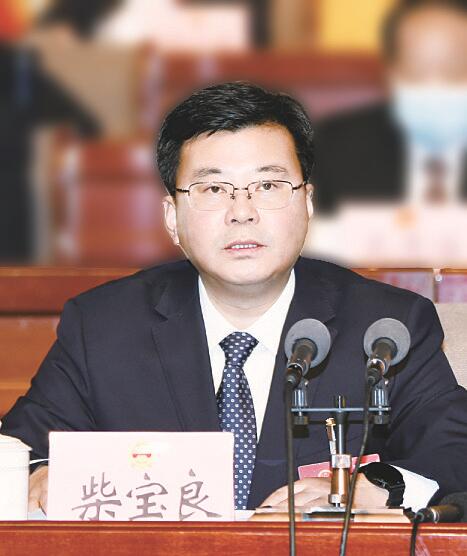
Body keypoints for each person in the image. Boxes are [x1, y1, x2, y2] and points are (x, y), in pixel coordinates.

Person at [2, 82, 467, 514]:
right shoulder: (103, 325)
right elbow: (21, 448)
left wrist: (383, 487)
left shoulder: (387, 328)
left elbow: (454, 453)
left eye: (267, 186)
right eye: (213, 189)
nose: (242, 212)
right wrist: (39, 475)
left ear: (307, 202)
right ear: (172, 217)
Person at [313, 0, 467, 214]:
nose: (435, 87)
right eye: (416, 72)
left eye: (454, 71)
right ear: (390, 74)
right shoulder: (332, 147)